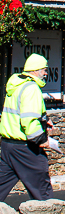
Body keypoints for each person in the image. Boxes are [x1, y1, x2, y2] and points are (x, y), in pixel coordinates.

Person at [0, 54, 55, 201]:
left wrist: (44, 121)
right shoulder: (31, 88)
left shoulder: (16, 85)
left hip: (7, 145)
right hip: (25, 148)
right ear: (35, 70)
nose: (45, 73)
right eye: (44, 70)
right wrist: (41, 139)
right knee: (41, 186)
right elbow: (29, 121)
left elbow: (20, 113)